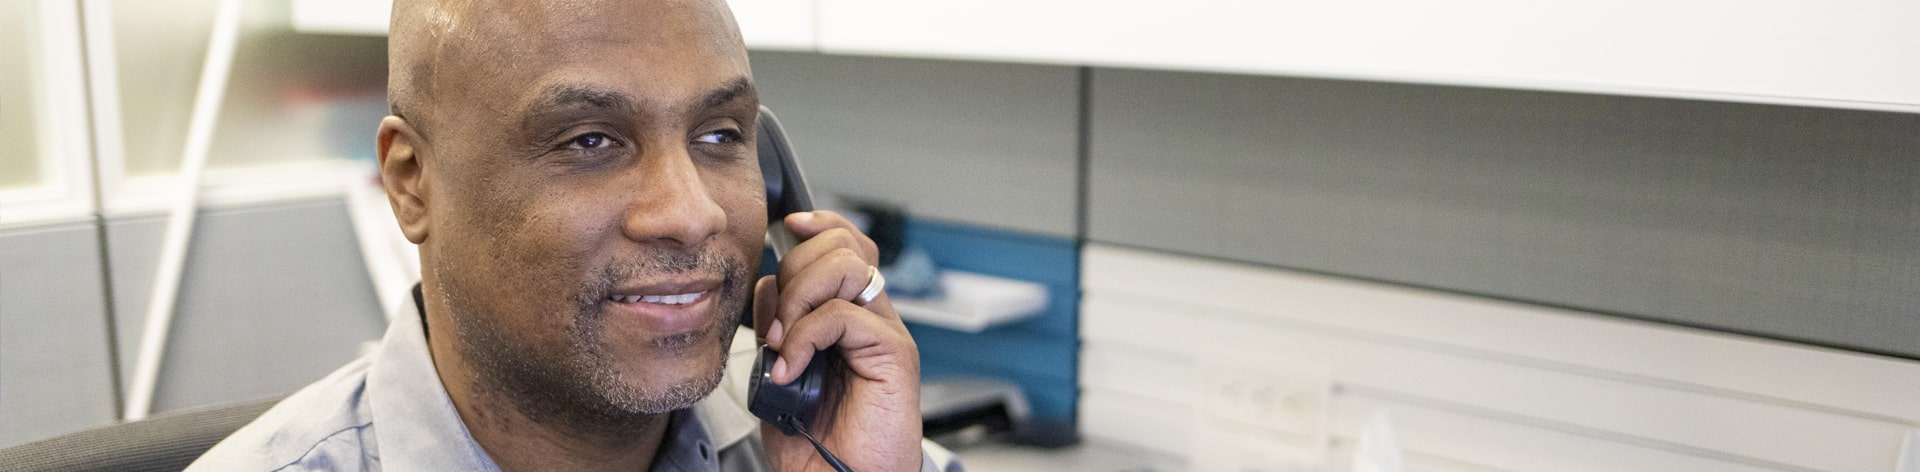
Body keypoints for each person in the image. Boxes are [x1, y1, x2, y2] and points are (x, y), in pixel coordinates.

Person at [190, 0, 955, 470]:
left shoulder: (833, 447)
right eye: (590, 141)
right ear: (412, 181)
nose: (692, 214)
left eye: (720, 134)